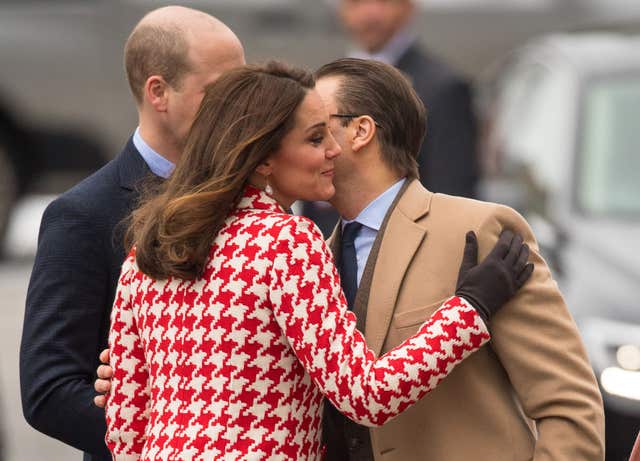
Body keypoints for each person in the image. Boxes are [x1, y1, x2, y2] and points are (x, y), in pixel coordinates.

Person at [103, 61, 532, 460]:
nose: (333, 150)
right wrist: (470, 309)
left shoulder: (145, 251)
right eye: (314, 138)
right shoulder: (285, 242)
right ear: (264, 157)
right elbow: (366, 394)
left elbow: (124, 428)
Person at [310, 58, 605, 460]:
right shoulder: (308, 260)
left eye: (315, 129)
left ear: (361, 131)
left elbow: (568, 406)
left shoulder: (478, 230)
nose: (301, 144)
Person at [19, 6, 245, 461]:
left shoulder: (250, 191)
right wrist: (177, 441)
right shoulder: (83, 214)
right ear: (158, 92)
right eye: (220, 93)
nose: (237, 110)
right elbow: (51, 389)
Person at [302, 0, 478, 236]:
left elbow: (452, 190)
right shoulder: (319, 84)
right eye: (357, 2)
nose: (371, 12)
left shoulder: (442, 87)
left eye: (384, 1)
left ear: (408, 7)